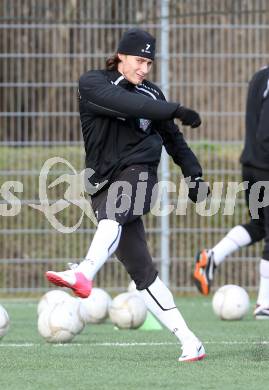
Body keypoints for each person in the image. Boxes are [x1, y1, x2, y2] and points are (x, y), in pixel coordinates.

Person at [46, 28, 209, 361]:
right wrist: (175, 108)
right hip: (102, 184)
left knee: (116, 211)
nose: (144, 68)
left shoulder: (153, 94)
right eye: (139, 60)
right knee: (142, 272)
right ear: (120, 56)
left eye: (149, 62)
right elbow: (125, 103)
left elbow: (174, 141)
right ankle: (191, 341)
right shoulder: (93, 84)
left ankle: (84, 273)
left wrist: (194, 175)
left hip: (140, 176)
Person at [193, 65, 269, 319]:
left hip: (251, 164)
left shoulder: (260, 74)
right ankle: (265, 304)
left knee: (259, 226)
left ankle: (212, 256)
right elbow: (266, 132)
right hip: (266, 167)